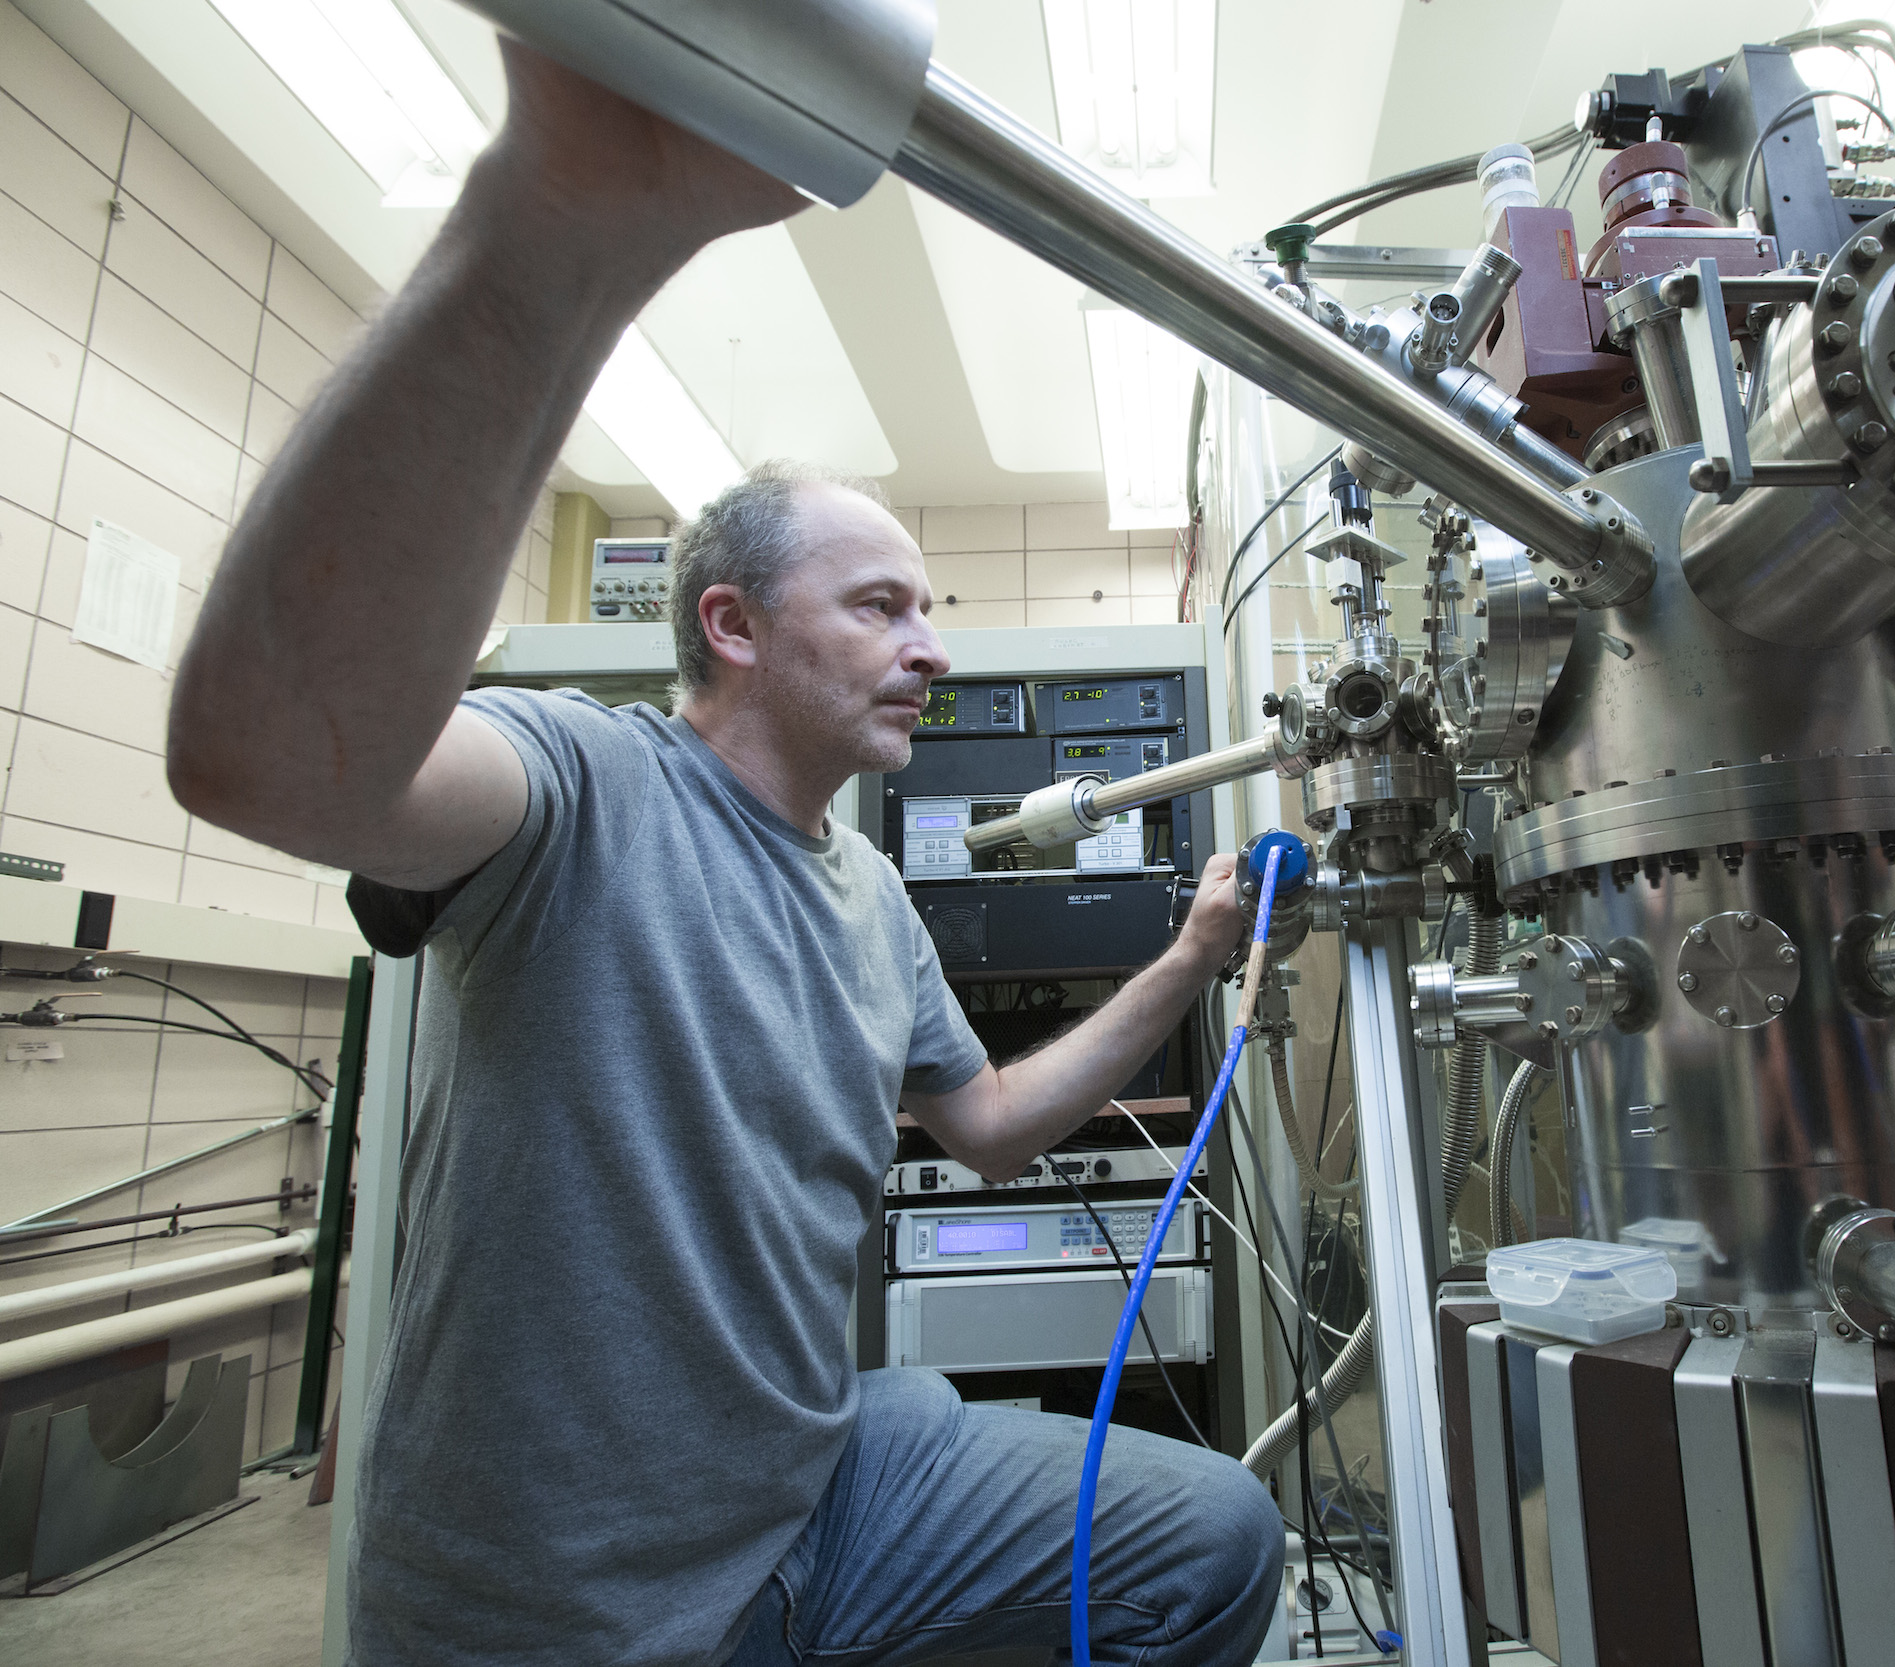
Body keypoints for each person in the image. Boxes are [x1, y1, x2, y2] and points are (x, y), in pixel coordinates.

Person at [167, 38, 1283, 1667]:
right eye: (883, 606)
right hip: (568, 1598)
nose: (933, 650)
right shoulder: (584, 791)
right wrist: (561, 209)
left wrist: (1190, 960)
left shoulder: (871, 895)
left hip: (816, 1479)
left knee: (1213, 1541)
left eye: (934, 610)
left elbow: (980, 1131)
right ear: (732, 627)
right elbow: (268, 753)